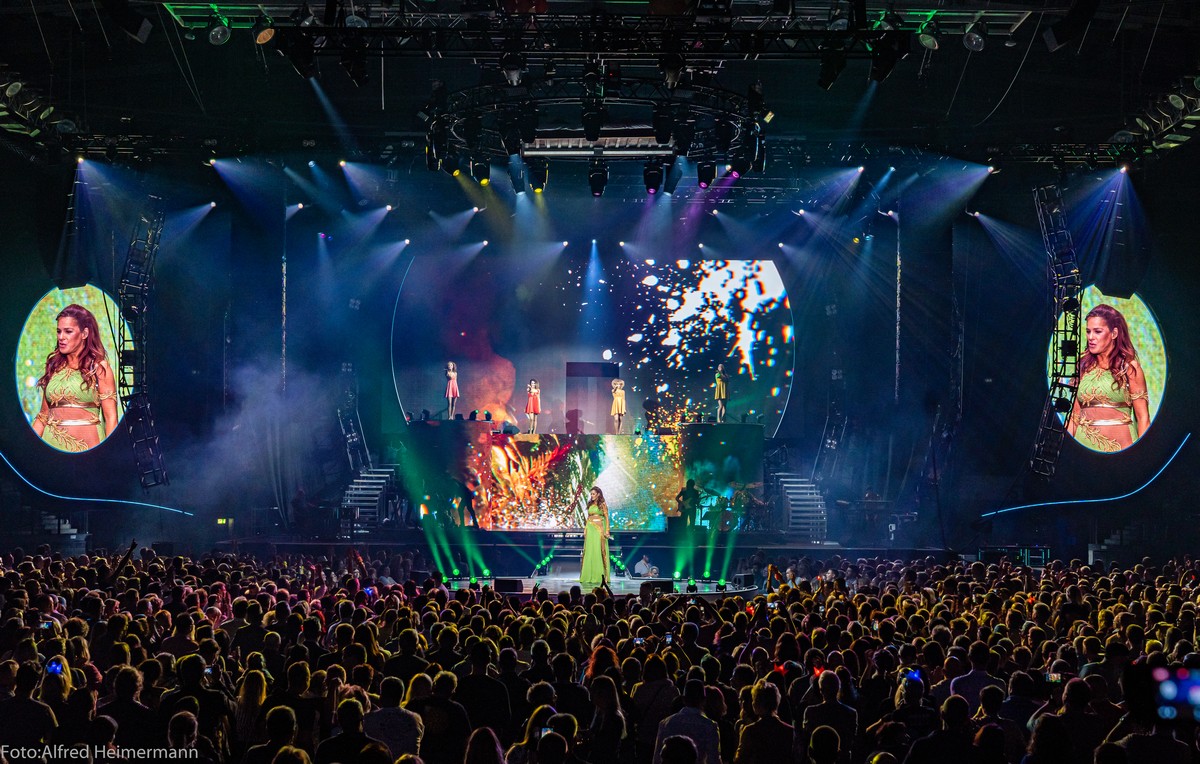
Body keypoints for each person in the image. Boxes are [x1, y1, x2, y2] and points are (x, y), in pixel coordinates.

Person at [31, 303, 119, 452]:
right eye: (59, 331)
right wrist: (28, 449)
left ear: (84, 334)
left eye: (68, 331)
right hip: (51, 451)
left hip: (88, 452)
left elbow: (111, 417)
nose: (61, 337)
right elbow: (43, 416)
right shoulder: (53, 367)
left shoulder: (98, 368)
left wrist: (108, 455)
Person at [1067, 304, 1150, 452]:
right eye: (1088, 331)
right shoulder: (1082, 367)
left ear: (1114, 333)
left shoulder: (1129, 368)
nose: (1091, 337)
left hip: (1121, 453)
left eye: (1098, 331)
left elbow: (1143, 417)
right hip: (1083, 453)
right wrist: (1066, 451)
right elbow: (1074, 417)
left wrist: (1141, 456)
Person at [654, 680, 720, 764]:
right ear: (704, 700)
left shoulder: (666, 723)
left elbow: (657, 758)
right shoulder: (710, 726)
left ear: (683, 699)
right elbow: (713, 759)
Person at [580, 486, 611, 589]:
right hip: (590, 529)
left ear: (598, 494)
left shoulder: (602, 504)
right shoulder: (590, 504)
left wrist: (607, 530)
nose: (592, 496)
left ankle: (599, 576)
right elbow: (588, 517)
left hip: (599, 529)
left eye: (593, 494)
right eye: (591, 494)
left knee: (598, 550)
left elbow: (606, 518)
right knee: (590, 551)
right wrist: (585, 529)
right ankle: (588, 575)